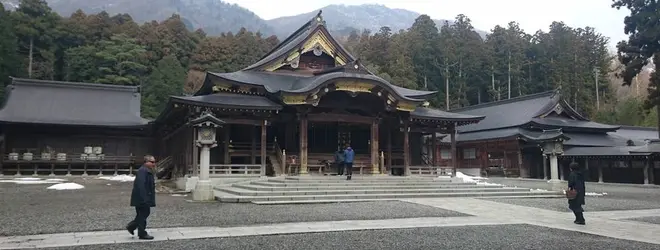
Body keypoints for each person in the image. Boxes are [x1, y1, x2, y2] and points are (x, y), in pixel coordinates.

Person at [126, 155, 157, 240]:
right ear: (146, 162)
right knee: (143, 214)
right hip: (142, 197)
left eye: (154, 162)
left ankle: (132, 226)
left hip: (144, 197)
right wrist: (144, 198)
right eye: (152, 162)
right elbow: (141, 186)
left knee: (142, 214)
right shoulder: (143, 171)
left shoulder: (146, 170)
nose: (154, 164)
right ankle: (141, 233)